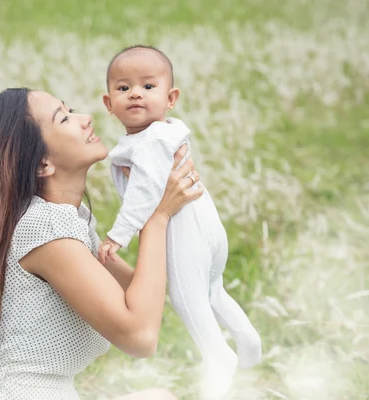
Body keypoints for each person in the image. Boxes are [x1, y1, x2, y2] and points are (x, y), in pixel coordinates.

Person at [0, 88, 203, 400]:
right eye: (63, 118)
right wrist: (155, 218)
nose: (86, 119)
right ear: (42, 164)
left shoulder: (61, 220)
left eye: (71, 110)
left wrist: (150, 195)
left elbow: (147, 293)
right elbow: (141, 336)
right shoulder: (46, 230)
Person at [98, 45, 262, 399]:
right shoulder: (165, 132)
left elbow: (145, 190)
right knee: (213, 289)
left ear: (170, 97)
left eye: (148, 86)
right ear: (109, 104)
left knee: (189, 300)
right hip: (208, 224)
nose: (136, 93)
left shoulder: (151, 140)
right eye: (124, 88)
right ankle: (248, 341)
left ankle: (218, 358)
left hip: (186, 233)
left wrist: (119, 234)